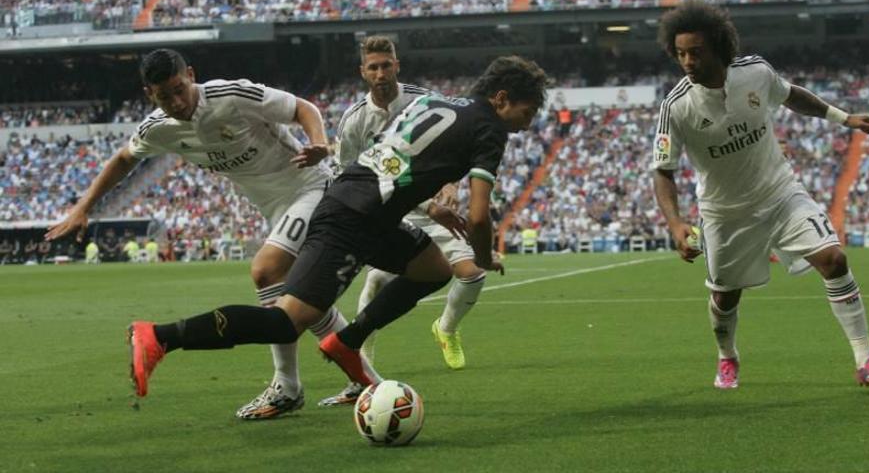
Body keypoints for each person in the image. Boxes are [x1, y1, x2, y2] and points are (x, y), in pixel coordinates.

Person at [125, 56, 548, 407]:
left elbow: (392, 159)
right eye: (526, 114)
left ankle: (348, 341)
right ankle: (160, 337)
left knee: (435, 267)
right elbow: (477, 217)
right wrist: (484, 254)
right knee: (283, 324)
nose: (525, 125)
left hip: (364, 204)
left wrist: (429, 205)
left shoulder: (435, 102)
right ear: (502, 98)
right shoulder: (490, 128)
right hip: (354, 218)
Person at [45, 48, 381, 419]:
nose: (176, 102)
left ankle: (287, 386)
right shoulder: (158, 127)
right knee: (301, 300)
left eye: (179, 89)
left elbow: (303, 108)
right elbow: (125, 158)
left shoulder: (230, 95)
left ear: (190, 74)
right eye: (164, 96)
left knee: (265, 271)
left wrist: (318, 143)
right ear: (149, 94)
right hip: (274, 208)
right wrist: (82, 208)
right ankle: (364, 379)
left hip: (310, 186)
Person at [652, 1, 869, 390]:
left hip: (780, 193)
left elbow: (792, 95)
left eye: (696, 51)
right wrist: (674, 224)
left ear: (718, 46)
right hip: (725, 212)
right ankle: (728, 357)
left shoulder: (755, 72)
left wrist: (844, 118)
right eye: (680, 53)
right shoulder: (676, 107)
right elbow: (662, 170)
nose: (687, 61)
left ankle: (866, 360)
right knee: (725, 298)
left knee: (834, 258)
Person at [318, 36, 497, 407]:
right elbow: (345, 172)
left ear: (398, 65)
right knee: (379, 285)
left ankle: (446, 328)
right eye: (374, 67)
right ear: (363, 72)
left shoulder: (424, 100)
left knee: (472, 272)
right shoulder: (353, 121)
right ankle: (361, 371)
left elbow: (456, 148)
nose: (381, 72)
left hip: (429, 206)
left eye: (387, 64)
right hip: (385, 209)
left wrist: (448, 186)